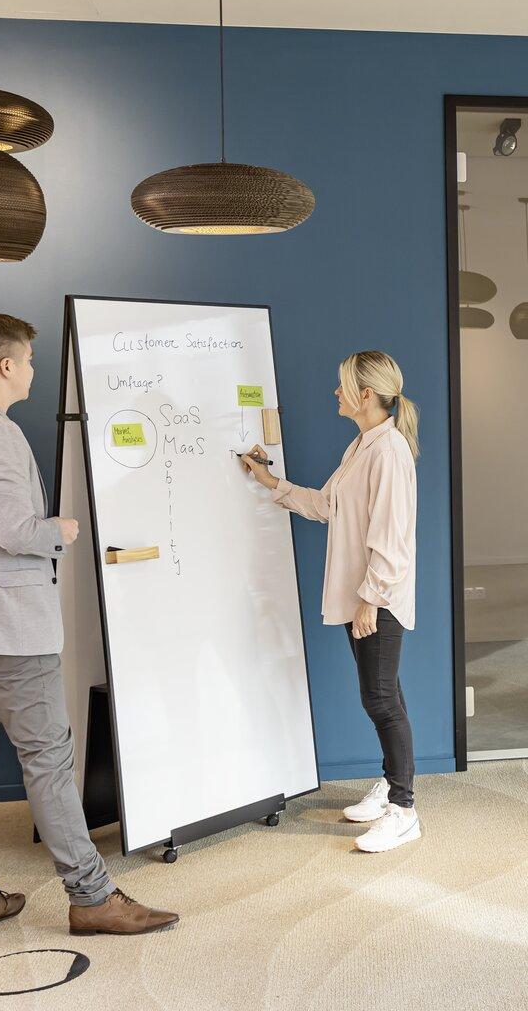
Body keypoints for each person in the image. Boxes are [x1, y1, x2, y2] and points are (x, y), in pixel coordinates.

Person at [0, 312, 179, 939]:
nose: (30, 369)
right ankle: (92, 896)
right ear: (4, 365)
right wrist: (63, 531)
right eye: (26, 360)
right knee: (49, 760)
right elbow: (16, 532)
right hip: (7, 630)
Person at [241, 350, 420, 854]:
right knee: (384, 693)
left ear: (366, 394)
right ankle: (391, 784)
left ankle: (404, 810)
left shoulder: (388, 452)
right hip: (362, 593)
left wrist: (370, 600)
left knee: (380, 697)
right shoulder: (363, 444)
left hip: (376, 595)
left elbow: (391, 537)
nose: (335, 394)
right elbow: (328, 506)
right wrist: (273, 484)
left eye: (342, 386)